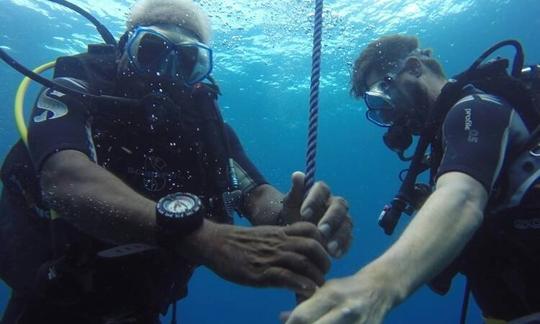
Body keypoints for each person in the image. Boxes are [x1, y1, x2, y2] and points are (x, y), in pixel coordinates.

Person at [0, 0, 353, 323]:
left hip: (141, 309)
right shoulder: (79, 86)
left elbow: (255, 194)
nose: (166, 72)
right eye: (152, 51)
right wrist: (203, 239)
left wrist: (290, 214)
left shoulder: (205, 125)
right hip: (50, 306)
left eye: (186, 61)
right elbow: (64, 177)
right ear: (125, 47)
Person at [286, 35, 540, 324]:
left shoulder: (474, 110)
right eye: (377, 108)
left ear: (415, 68)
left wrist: (376, 286)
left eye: (383, 94)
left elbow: (462, 196)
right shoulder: (444, 145)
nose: (389, 115)